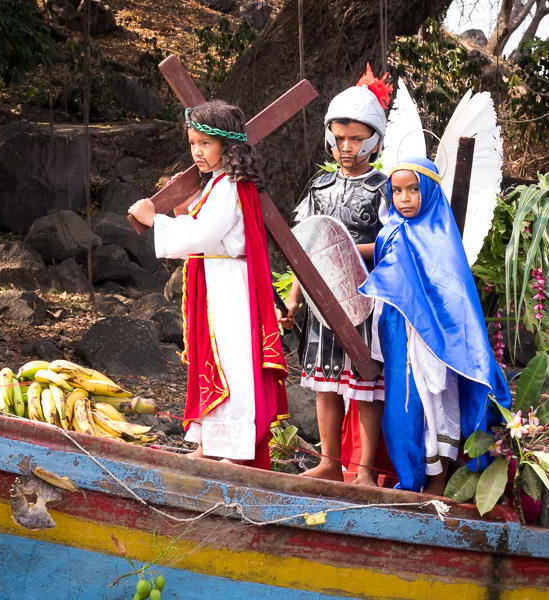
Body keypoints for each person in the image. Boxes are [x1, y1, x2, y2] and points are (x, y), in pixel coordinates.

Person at [128, 100, 288, 468]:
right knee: (209, 358)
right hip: (213, 282)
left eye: (205, 144)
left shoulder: (231, 184)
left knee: (230, 363)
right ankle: (210, 442)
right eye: (192, 143)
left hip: (230, 288)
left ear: (227, 146)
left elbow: (203, 235)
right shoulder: (217, 183)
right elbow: (200, 228)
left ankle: (234, 449)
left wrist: (154, 220)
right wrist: (181, 209)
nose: (197, 152)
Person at [359, 157, 511, 495]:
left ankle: (438, 480)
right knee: (401, 409)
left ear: (427, 192)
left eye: (413, 190)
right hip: (399, 334)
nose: (404, 198)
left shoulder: (440, 237)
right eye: (396, 191)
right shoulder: (390, 232)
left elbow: (452, 295)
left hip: (432, 341)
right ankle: (409, 476)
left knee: (433, 407)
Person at [279, 70, 391, 486]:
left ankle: (364, 471)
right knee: (325, 385)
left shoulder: (385, 188)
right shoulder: (320, 186)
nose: (347, 147)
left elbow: (392, 244)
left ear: (374, 139)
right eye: (340, 138)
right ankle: (329, 462)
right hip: (320, 300)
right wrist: (293, 299)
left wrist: (343, 251)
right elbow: (304, 247)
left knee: (365, 385)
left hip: (365, 299)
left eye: (357, 139)